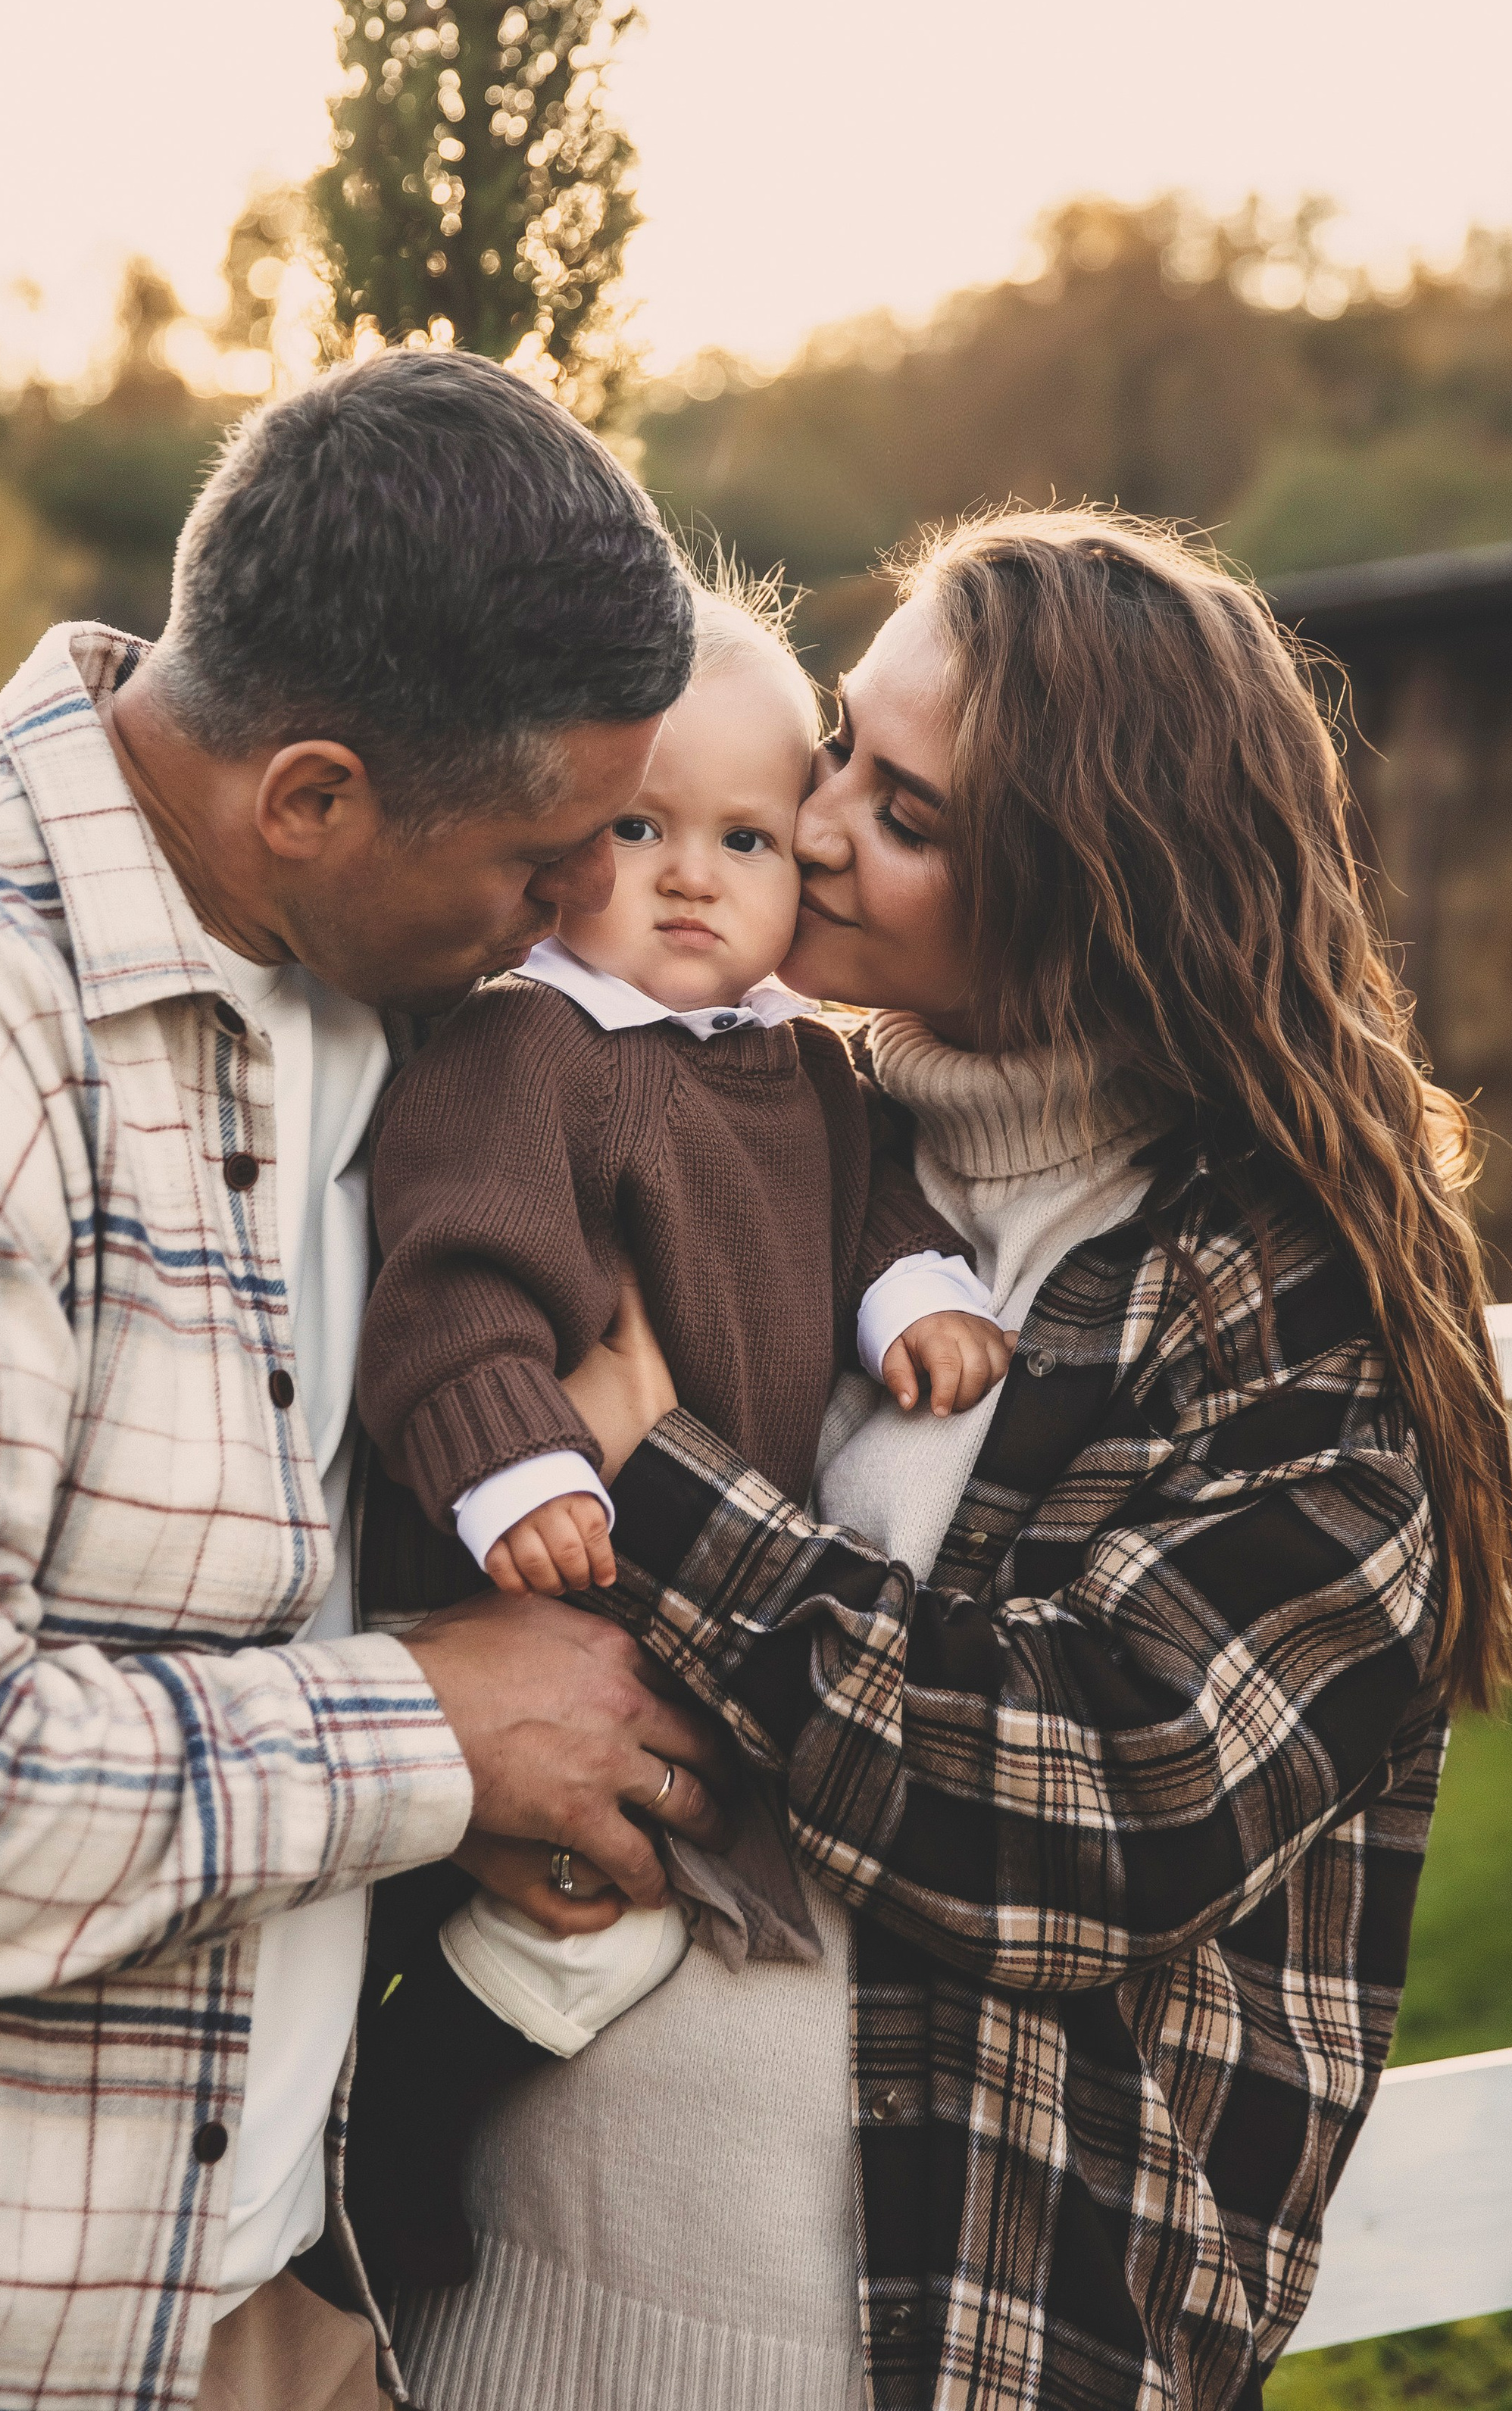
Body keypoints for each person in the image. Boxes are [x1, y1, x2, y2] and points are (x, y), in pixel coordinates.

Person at [0, 350, 736, 2411]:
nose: (581, 907)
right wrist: (433, 1731)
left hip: (247, 2293)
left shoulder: (380, 990)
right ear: (309, 795)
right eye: (541, 855)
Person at [380, 509, 1512, 2411]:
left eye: (904, 815)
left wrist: (660, 1487)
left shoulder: (1288, 1307)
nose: (812, 818)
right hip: (485, 2323)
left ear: (1094, 899)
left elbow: (1100, 1802)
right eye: (840, 744)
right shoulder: (738, 1114)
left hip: (916, 2358)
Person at [345, 584, 1009, 2287]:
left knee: (602, 1914)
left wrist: (909, 1292)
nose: (691, 876)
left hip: (687, 1590)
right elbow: (452, 1278)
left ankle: (391, 2135)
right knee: (502, 1895)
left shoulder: (809, 1070)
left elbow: (861, 1213)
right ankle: (379, 2147)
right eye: (638, 828)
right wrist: (514, 1464)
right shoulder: (531, 1043)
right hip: (530, 1563)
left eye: (745, 837)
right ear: (564, 836)